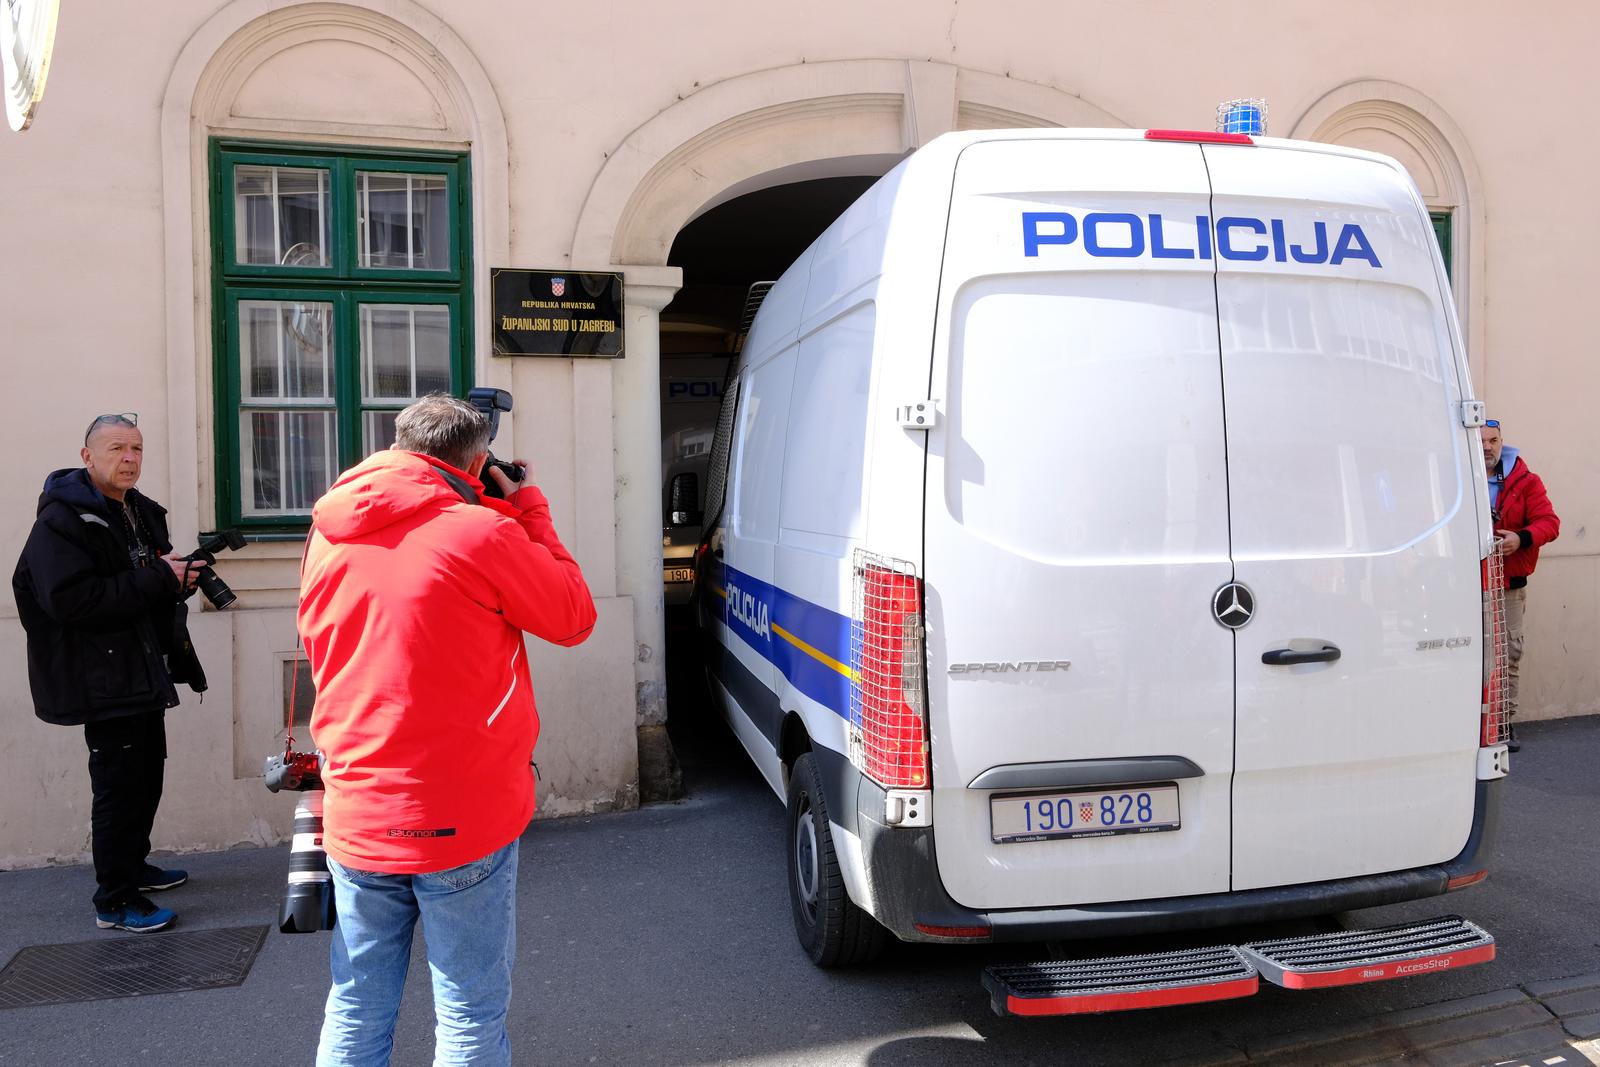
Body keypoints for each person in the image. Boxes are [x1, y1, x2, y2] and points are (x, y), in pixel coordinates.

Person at [298, 394, 597, 1066]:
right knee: (467, 1014)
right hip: (461, 813)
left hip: (358, 807)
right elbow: (573, 616)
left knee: (354, 1005)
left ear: (399, 445)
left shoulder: (327, 527)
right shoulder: (482, 533)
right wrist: (528, 509)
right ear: (477, 460)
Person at [12, 413, 204, 932]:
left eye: (137, 449)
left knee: (146, 776)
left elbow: (141, 579)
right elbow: (72, 602)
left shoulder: (136, 511)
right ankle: (114, 899)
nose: (130, 459)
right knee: (118, 786)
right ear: (87, 456)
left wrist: (176, 578)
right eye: (117, 448)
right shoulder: (63, 522)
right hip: (101, 677)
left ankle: (133, 866)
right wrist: (157, 580)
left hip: (141, 669)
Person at [1482, 418, 1560, 752]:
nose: (1487, 447)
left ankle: (1504, 723)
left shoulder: (1525, 481)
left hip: (1508, 583)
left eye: (1493, 440)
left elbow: (1550, 523)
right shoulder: (1453, 476)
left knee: (1507, 654)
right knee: (1472, 653)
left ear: (1502, 442)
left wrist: (1521, 538)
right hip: (1464, 585)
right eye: (1481, 440)